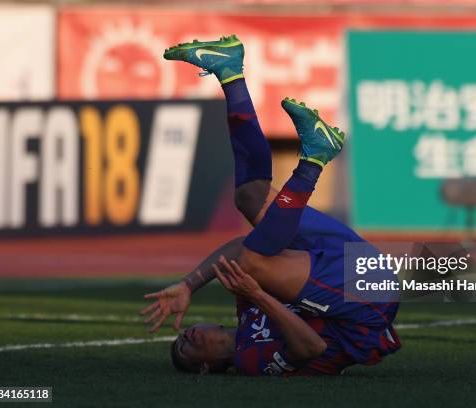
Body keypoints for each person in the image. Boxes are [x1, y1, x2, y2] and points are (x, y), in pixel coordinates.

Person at [140, 35, 400, 376]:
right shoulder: (251, 360)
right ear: (206, 367)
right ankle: (313, 161)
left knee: (249, 195)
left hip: (350, 264)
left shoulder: (243, 305)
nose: (187, 335)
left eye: (182, 337)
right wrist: (259, 295)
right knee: (251, 261)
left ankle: (229, 72)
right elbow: (312, 348)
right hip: (368, 298)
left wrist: (188, 285)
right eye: (186, 347)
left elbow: (238, 249)